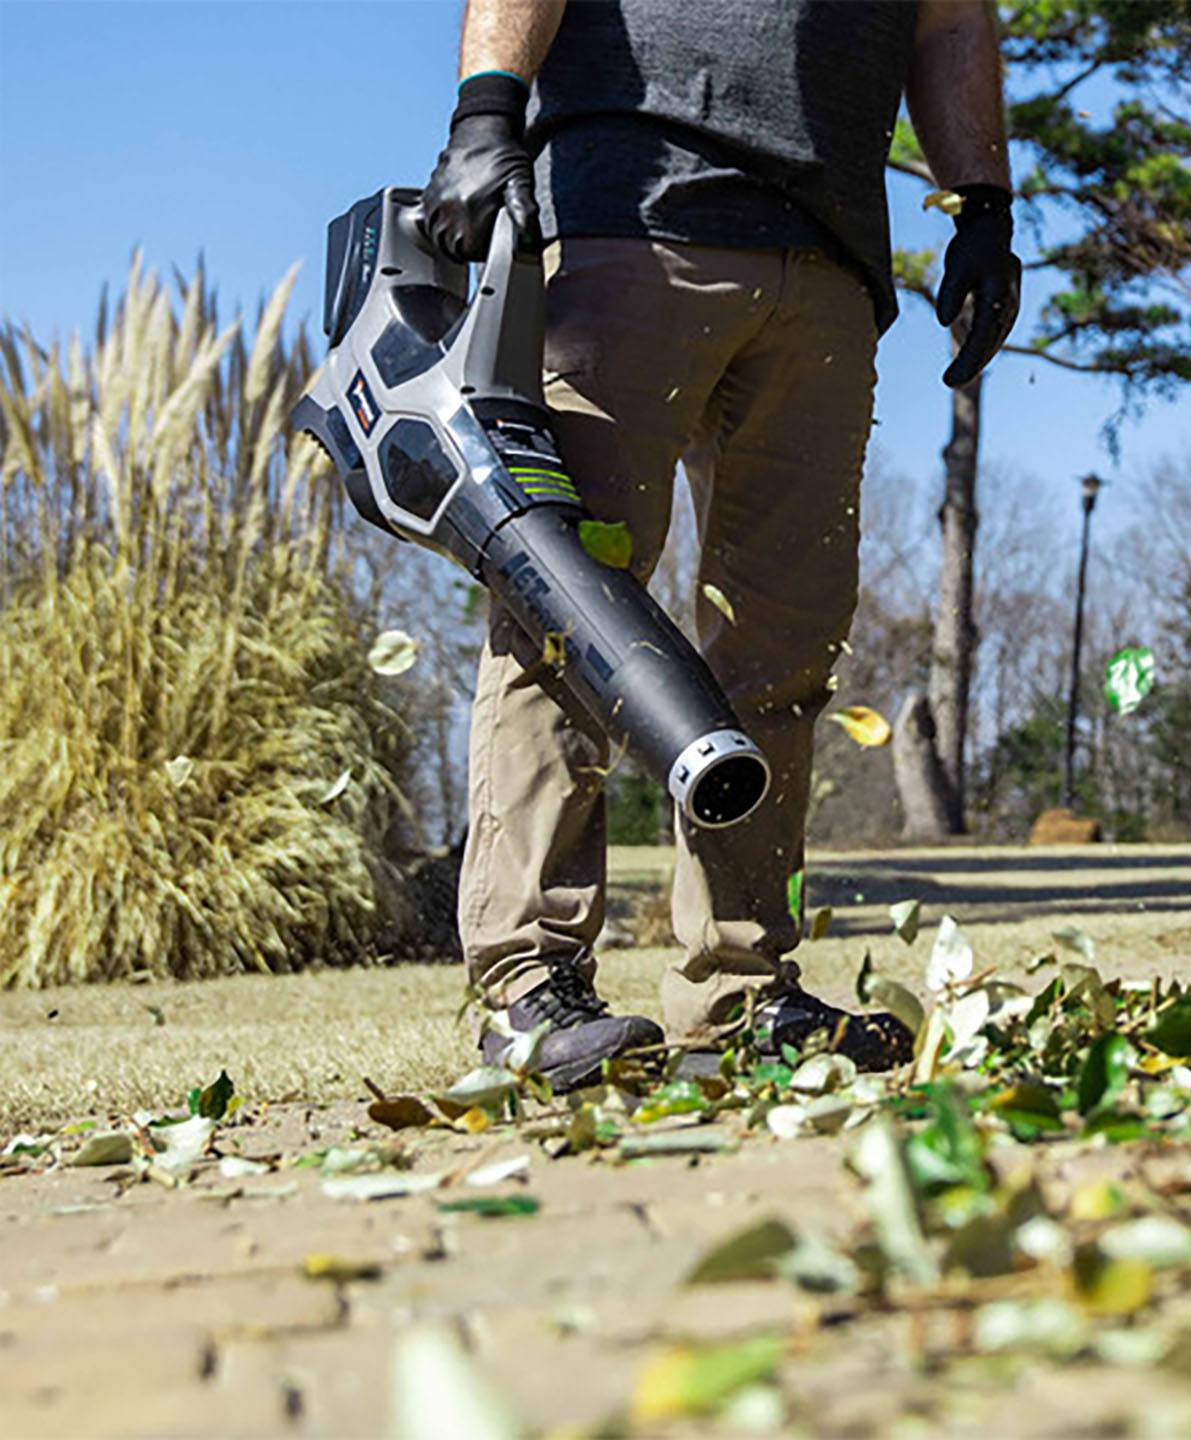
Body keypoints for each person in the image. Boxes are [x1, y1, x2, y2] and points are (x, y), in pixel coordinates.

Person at [420, 0, 1021, 1091]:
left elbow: (948, 21)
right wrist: (484, 111)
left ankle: (741, 989)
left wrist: (982, 201)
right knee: (569, 621)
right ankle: (527, 989)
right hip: (624, 216)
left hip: (828, 257)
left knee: (781, 651)